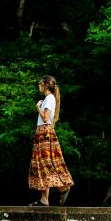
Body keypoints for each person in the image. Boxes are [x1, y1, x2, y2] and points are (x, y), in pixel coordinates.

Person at [28, 75, 74, 206]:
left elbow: (46, 118)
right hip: (43, 133)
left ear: (46, 85)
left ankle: (63, 187)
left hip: (44, 133)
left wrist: (38, 107)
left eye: (40, 83)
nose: (38, 85)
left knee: (47, 163)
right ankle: (44, 199)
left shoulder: (49, 99)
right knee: (44, 164)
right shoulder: (49, 99)